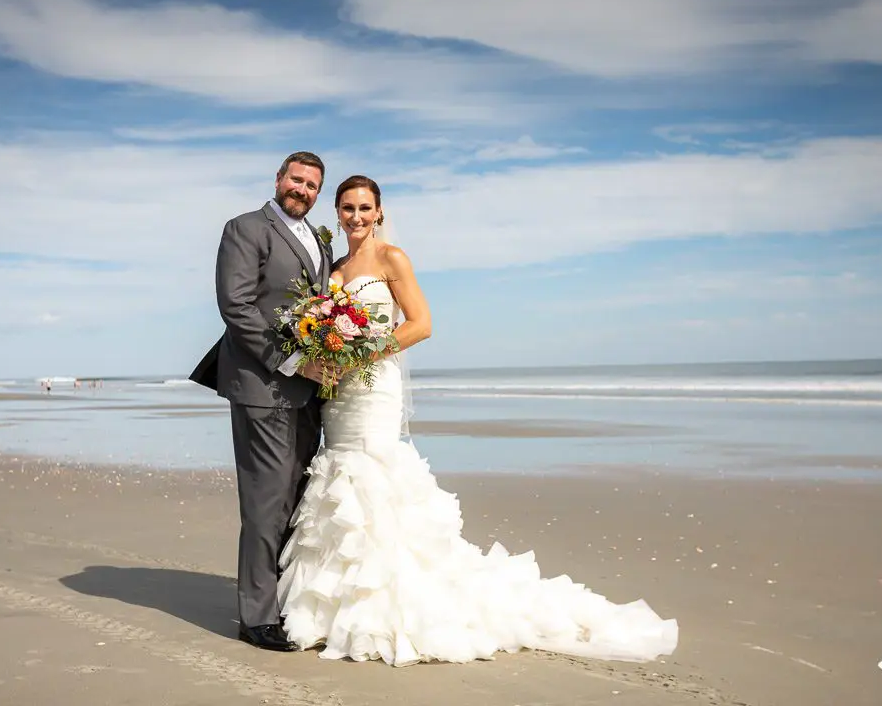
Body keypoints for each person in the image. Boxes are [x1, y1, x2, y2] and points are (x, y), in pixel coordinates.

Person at [276, 175, 679, 666]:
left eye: (364, 208)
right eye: (347, 208)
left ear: (379, 212)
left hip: (374, 388)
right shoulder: (335, 267)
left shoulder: (391, 258)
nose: (356, 216)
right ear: (337, 213)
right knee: (339, 476)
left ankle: (384, 608)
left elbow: (421, 324)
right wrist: (325, 351)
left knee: (373, 479)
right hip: (337, 393)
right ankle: (332, 607)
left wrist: (365, 353)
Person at [189, 151, 335, 652]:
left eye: (312, 185)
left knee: (295, 498)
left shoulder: (319, 240)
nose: (302, 190)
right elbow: (236, 305)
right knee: (265, 501)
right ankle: (256, 617)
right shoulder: (246, 228)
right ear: (278, 179)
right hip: (262, 384)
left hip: (308, 392)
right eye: (296, 180)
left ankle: (280, 600)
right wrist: (292, 361)